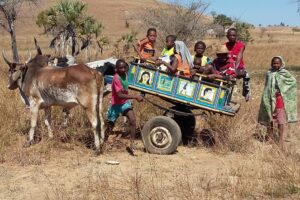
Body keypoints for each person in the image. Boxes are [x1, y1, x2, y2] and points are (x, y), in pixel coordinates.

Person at [258, 56, 297, 150]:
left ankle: (280, 140)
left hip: (279, 98)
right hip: (269, 99)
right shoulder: (269, 73)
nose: (275, 65)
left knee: (280, 119)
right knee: (270, 118)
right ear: (271, 64)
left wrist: (282, 89)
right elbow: (267, 86)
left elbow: (293, 81)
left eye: (277, 63)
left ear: (281, 63)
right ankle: (270, 138)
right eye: (274, 63)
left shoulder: (284, 73)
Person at [106, 59, 143, 156]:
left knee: (133, 120)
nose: (123, 69)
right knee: (110, 126)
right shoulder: (116, 78)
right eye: (120, 68)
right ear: (116, 69)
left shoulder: (126, 74)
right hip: (115, 104)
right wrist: (135, 97)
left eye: (124, 67)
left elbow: (132, 68)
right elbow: (119, 95)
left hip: (125, 103)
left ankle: (131, 144)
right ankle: (102, 142)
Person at [225, 28, 251, 101]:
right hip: (227, 67)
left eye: (234, 35)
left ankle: (246, 92)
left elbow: (239, 58)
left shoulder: (241, 45)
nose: (232, 37)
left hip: (238, 67)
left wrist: (234, 70)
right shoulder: (224, 46)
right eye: (230, 35)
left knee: (246, 74)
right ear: (227, 36)